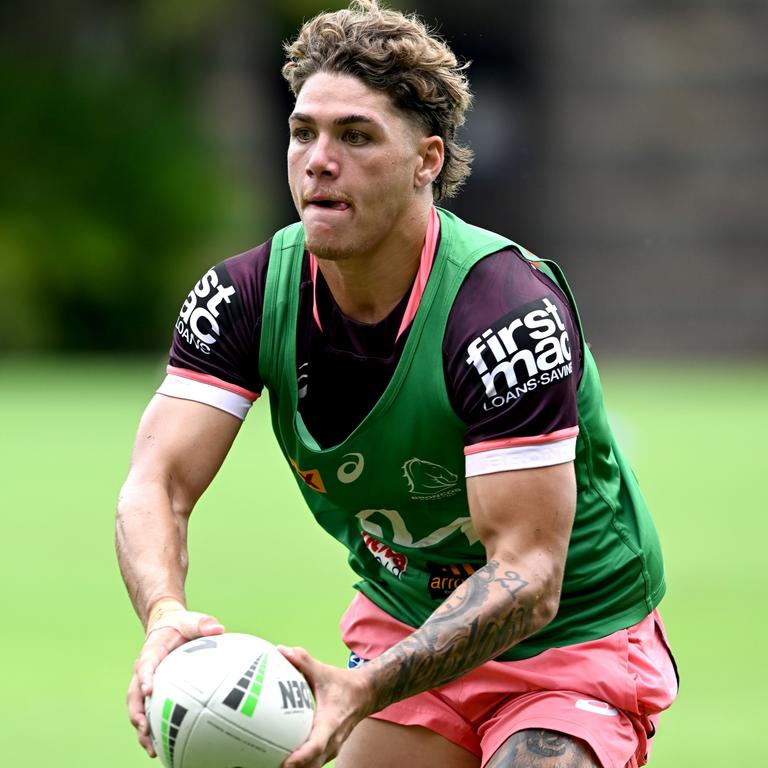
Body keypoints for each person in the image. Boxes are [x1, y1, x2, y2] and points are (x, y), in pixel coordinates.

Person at [116, 2, 678, 767]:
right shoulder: (243, 297)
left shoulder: (503, 315)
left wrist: (368, 684)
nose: (318, 159)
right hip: (407, 621)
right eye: (303, 132)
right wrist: (163, 615)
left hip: (571, 636)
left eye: (356, 136)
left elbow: (530, 574)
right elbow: (158, 482)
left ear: (427, 160)